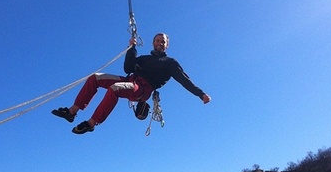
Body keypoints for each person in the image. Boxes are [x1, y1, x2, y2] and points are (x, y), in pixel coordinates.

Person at [52, 33, 211, 134]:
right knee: (95, 77)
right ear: (153, 43)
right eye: (157, 40)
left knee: (114, 89)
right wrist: (131, 48)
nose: (160, 43)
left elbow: (184, 80)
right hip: (130, 80)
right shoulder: (143, 59)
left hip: (143, 88)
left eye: (163, 41)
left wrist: (201, 94)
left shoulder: (170, 63)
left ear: (167, 45)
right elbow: (128, 67)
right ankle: (72, 111)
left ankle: (92, 123)